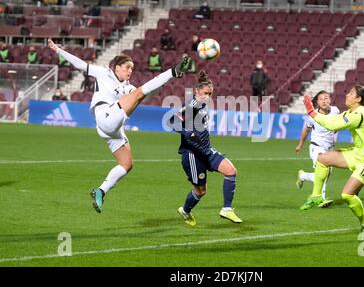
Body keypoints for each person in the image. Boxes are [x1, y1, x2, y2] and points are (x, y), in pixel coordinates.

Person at [48, 39, 191, 213]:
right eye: (127, 68)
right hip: (104, 116)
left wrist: (161, 84)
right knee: (139, 94)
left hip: (111, 128)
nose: (130, 71)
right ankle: (174, 71)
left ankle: (100, 191)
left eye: (132, 68)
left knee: (126, 164)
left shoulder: (126, 87)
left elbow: (145, 93)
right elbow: (80, 64)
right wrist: (58, 50)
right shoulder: (103, 73)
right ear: (117, 68)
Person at [301, 83, 364, 241]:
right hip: (358, 153)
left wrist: (311, 110)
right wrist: (314, 114)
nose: (347, 95)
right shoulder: (351, 111)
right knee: (322, 159)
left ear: (358, 99)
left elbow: (331, 125)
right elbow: (333, 120)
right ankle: (316, 196)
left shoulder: (358, 114)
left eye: (351, 93)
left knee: (347, 195)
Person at [173, 71, 242, 226]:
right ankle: (185, 210)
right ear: (197, 91)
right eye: (205, 93)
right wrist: (188, 133)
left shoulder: (202, 103)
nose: (208, 96)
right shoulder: (192, 105)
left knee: (231, 171)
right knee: (200, 192)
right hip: (192, 155)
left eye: (210, 93)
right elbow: (172, 121)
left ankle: (227, 209)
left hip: (206, 150)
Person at [295, 90, 340, 208]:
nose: (324, 101)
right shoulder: (313, 116)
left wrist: (335, 130)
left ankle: (303, 175)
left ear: (329, 99)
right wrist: (300, 144)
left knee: (326, 173)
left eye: (326, 98)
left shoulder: (335, 111)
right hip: (316, 147)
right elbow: (306, 130)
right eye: (321, 99)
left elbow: (338, 124)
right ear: (317, 102)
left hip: (330, 148)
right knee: (323, 171)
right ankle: (322, 199)